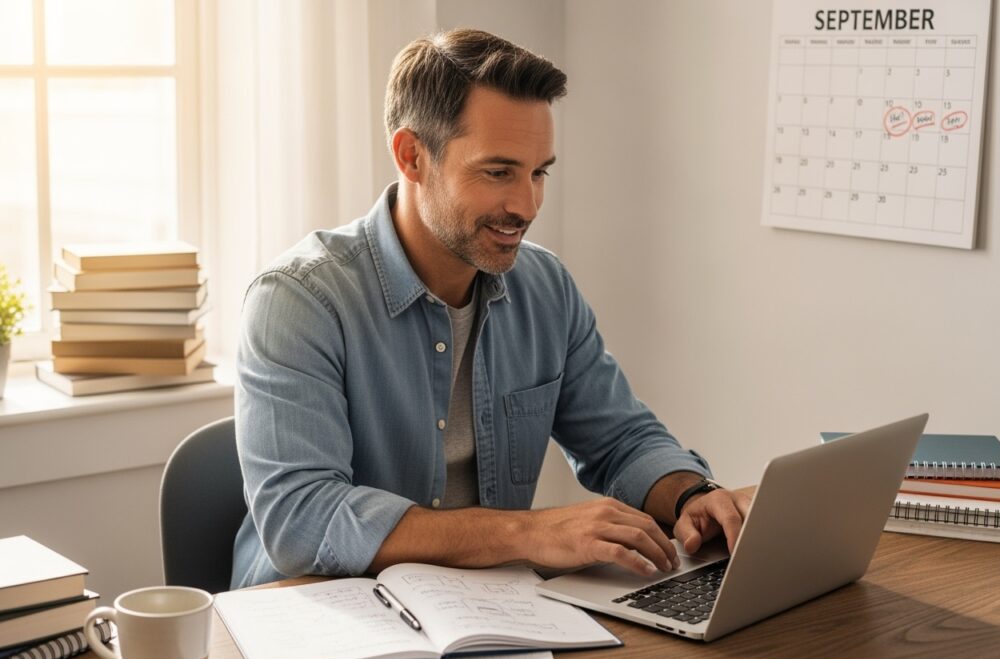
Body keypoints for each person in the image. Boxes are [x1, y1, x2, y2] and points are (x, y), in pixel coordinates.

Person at [230, 28, 750, 589]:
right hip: (319, 620)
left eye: (539, 172)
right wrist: (526, 534)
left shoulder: (545, 287)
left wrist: (692, 494)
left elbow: (622, 439)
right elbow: (302, 520)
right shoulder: (298, 300)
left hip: (483, 614)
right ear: (412, 156)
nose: (525, 205)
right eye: (498, 172)